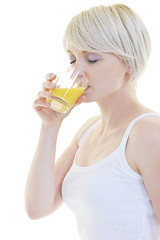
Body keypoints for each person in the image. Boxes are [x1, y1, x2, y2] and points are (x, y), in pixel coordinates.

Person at [25, 4, 160, 240]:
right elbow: (38, 208)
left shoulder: (148, 134)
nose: (77, 70)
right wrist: (50, 125)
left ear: (129, 62)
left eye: (92, 59)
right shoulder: (88, 131)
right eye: (72, 59)